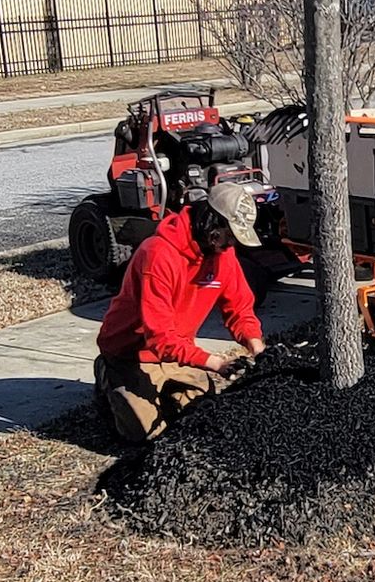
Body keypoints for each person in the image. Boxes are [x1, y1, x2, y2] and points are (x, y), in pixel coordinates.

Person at [93, 182, 267, 442]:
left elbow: (239, 308)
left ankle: (158, 389)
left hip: (175, 352)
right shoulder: (158, 254)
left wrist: (257, 347)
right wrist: (216, 363)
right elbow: (159, 336)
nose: (231, 244)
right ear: (210, 222)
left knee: (200, 414)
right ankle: (108, 375)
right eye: (228, 234)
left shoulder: (223, 254)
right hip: (131, 353)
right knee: (146, 434)